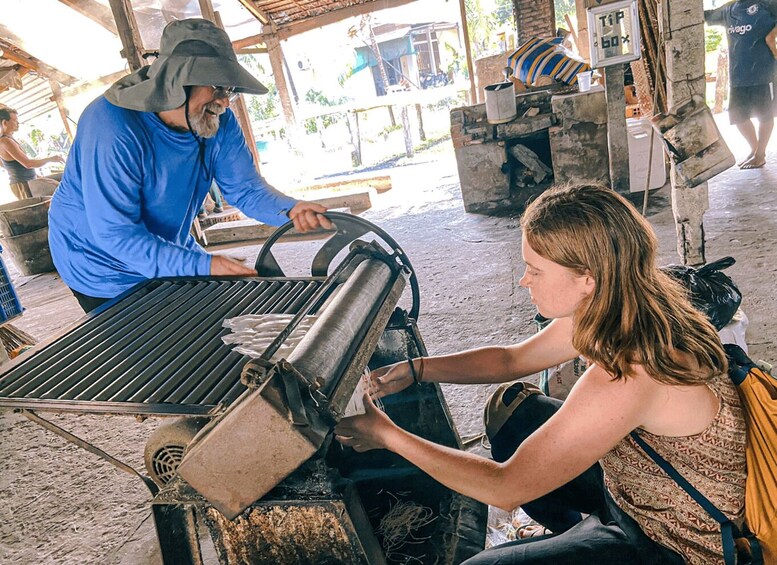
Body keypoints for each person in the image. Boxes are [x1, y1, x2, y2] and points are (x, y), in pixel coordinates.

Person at [336, 185, 746, 564]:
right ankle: (570, 536)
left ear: (586, 277)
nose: (523, 279)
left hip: (676, 542)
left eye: (535, 269)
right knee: (513, 411)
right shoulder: (623, 298)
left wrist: (386, 434)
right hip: (638, 487)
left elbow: (505, 488)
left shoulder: (631, 369)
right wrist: (418, 369)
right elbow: (510, 361)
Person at [48, 19, 332, 313]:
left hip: (162, 241)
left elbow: (245, 189)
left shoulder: (217, 120)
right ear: (176, 83)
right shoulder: (112, 126)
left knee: (213, 318)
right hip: (100, 263)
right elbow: (116, 234)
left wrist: (290, 208)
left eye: (230, 90)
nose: (225, 102)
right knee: (152, 348)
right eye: (217, 88)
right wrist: (205, 264)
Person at [705, 1, 777, 169]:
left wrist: (772, 37)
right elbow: (701, 16)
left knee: (764, 116)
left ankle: (760, 155)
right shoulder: (729, 9)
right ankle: (755, 149)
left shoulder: (767, 4)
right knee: (737, 116)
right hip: (738, 75)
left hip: (763, 73)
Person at [0, 106, 65, 200]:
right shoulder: (5, 142)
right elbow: (28, 164)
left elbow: (6, 164)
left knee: (58, 186)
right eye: (14, 120)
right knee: (40, 208)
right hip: (23, 184)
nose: (18, 123)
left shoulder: (8, 139)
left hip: (29, 180)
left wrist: (33, 175)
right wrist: (51, 159)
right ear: (5, 123)